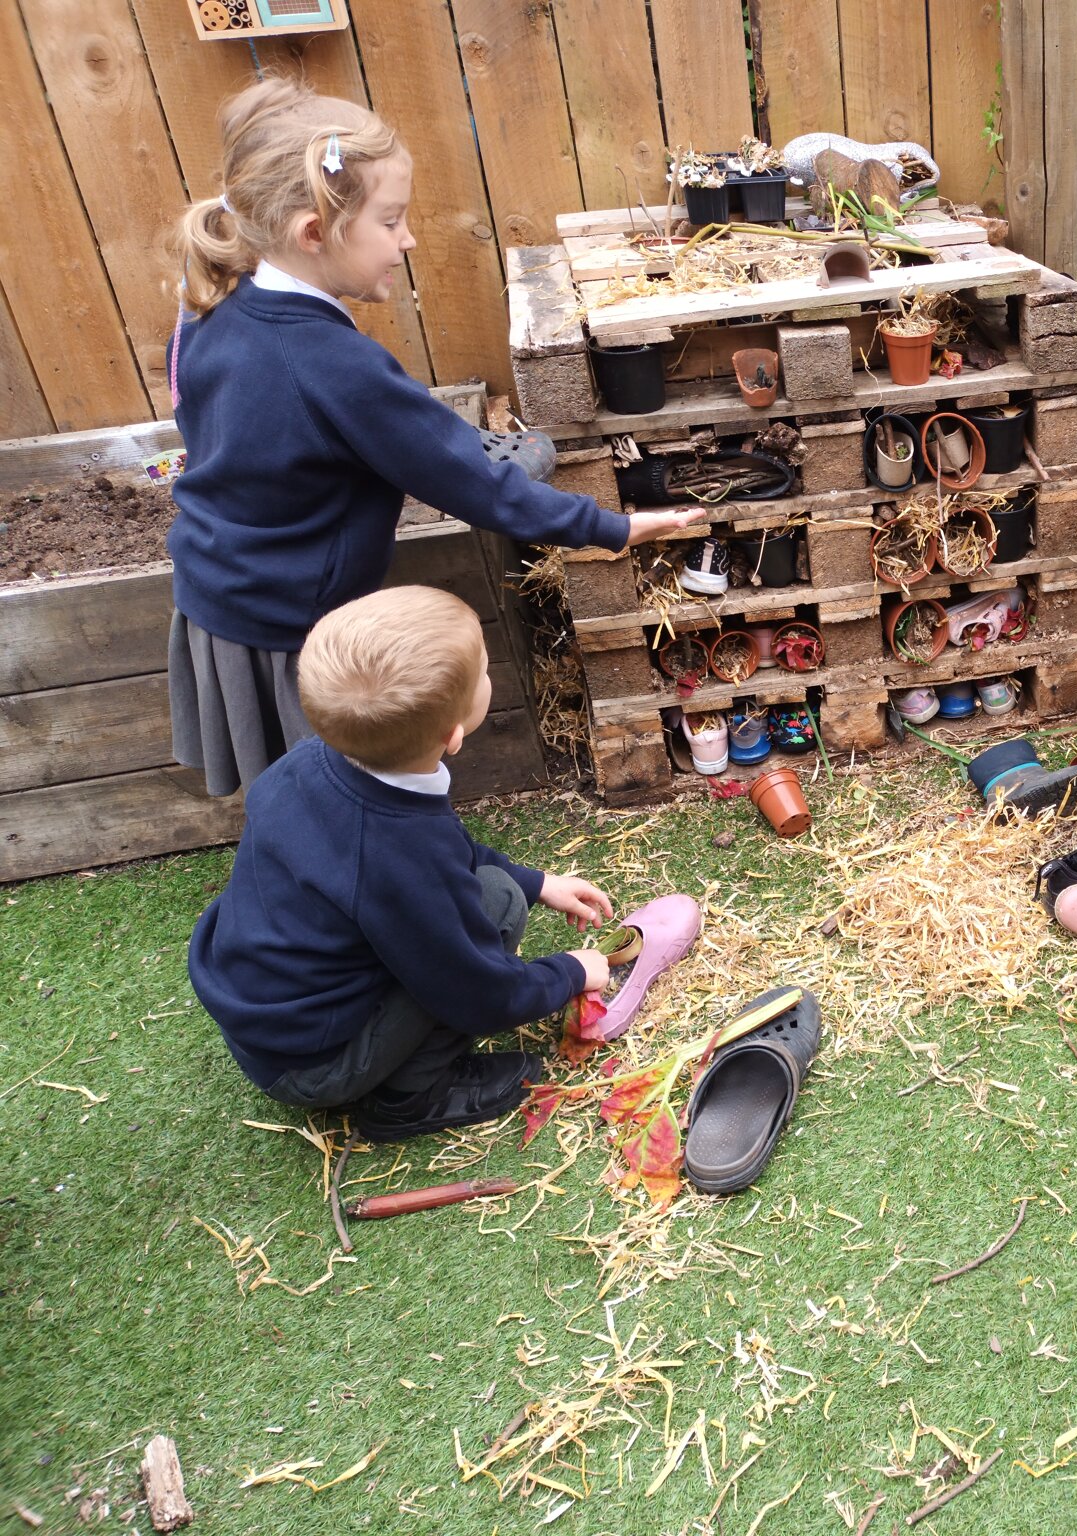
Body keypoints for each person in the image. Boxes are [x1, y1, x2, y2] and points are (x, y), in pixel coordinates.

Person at [165, 78, 698, 796]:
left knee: (286, 798)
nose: (408, 238)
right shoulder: (334, 364)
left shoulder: (217, 307)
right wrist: (612, 526)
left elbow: (312, 430)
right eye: (391, 221)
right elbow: (467, 484)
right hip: (289, 621)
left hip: (218, 588)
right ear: (314, 233)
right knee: (337, 810)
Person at [188, 587, 617, 1141]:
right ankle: (412, 1098)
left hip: (266, 1021)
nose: (490, 677)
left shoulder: (308, 763)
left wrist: (539, 882)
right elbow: (480, 992)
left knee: (502, 889)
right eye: (485, 672)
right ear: (454, 736)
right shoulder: (397, 851)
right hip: (313, 1066)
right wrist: (570, 972)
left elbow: (440, 852)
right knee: (497, 906)